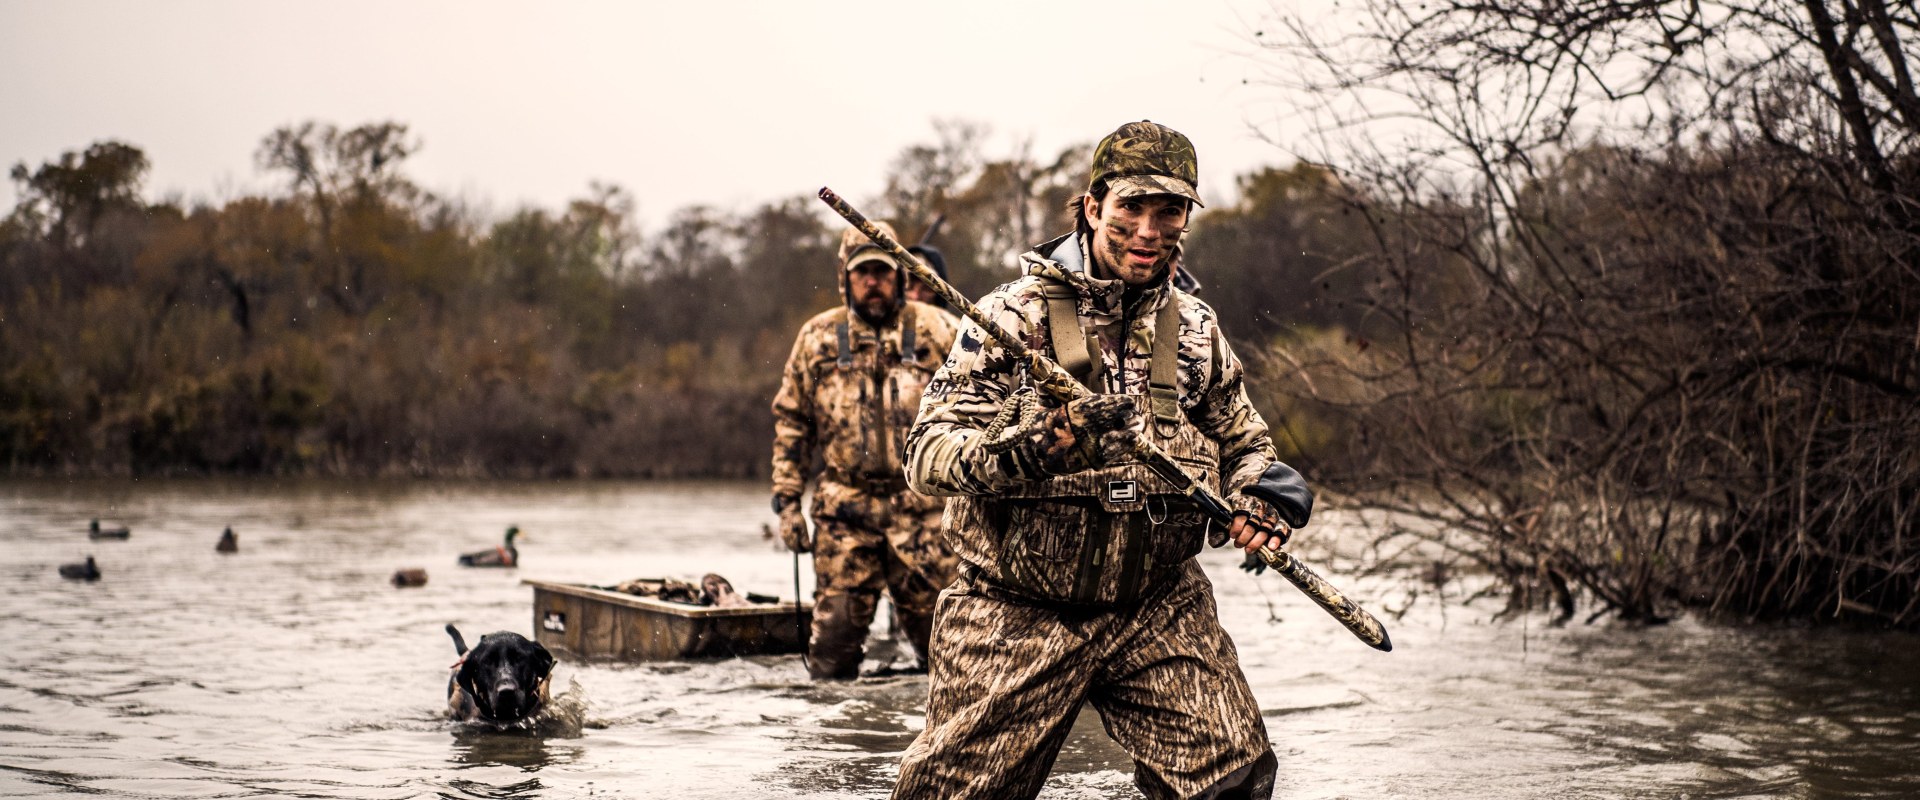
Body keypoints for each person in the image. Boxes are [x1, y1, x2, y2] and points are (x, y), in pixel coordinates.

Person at [893, 121, 1308, 798]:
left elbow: (1245, 444)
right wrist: (1036, 449)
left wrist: (1261, 496)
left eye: (1169, 211)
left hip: (1158, 607)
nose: (1149, 230)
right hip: (1015, 607)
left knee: (1233, 780)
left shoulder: (1197, 328)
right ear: (1092, 206)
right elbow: (926, 455)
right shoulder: (1010, 315)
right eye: (1131, 207)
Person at [769, 220, 962, 680]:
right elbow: (792, 422)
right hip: (845, 512)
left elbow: (980, 412)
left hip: (925, 511)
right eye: (863, 273)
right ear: (845, 277)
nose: (872, 282)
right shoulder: (817, 337)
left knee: (949, 654)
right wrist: (788, 504)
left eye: (882, 271)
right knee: (831, 656)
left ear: (900, 275)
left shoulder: (941, 330)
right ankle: (841, 727)